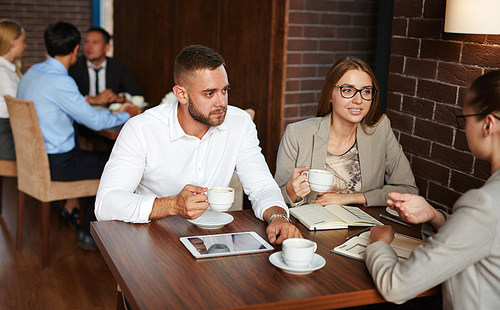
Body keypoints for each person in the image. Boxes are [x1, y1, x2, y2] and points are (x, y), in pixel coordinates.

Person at [95, 45, 301, 244]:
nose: (221, 102)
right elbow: (105, 203)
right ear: (181, 94)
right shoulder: (141, 129)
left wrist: (278, 218)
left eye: (225, 91)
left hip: (213, 239)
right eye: (209, 94)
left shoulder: (240, 123)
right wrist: (172, 205)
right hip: (150, 240)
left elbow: (261, 186)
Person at [365, 70, 500, 309]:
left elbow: (396, 286)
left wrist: (377, 244)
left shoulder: (485, 203)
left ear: (487, 124)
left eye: (465, 120)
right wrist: (436, 216)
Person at [17, 22, 141, 251]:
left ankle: (73, 211)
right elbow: (95, 121)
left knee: (98, 154)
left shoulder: (32, 72)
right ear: (75, 49)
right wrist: (125, 114)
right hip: (59, 164)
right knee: (114, 167)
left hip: (34, 161)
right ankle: (88, 233)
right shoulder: (61, 81)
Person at [275, 57, 418, 208]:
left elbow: (407, 190)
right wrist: (291, 191)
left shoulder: (380, 129)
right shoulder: (297, 134)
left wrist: (353, 198)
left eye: (366, 91)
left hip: (362, 225)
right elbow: (274, 197)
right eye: (348, 90)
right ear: (330, 94)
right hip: (310, 225)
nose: (358, 100)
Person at [69, 27, 143, 105]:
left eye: (95, 42)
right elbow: (67, 96)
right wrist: (90, 99)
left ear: (107, 47)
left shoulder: (116, 65)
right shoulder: (75, 65)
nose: (89, 47)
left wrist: (118, 98)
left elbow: (137, 93)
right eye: (87, 42)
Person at [0, 19, 27, 160]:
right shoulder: (2, 71)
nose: (25, 45)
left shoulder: (11, 69)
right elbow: (19, 105)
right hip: (4, 134)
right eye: (23, 41)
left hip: (10, 129)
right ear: (12, 42)